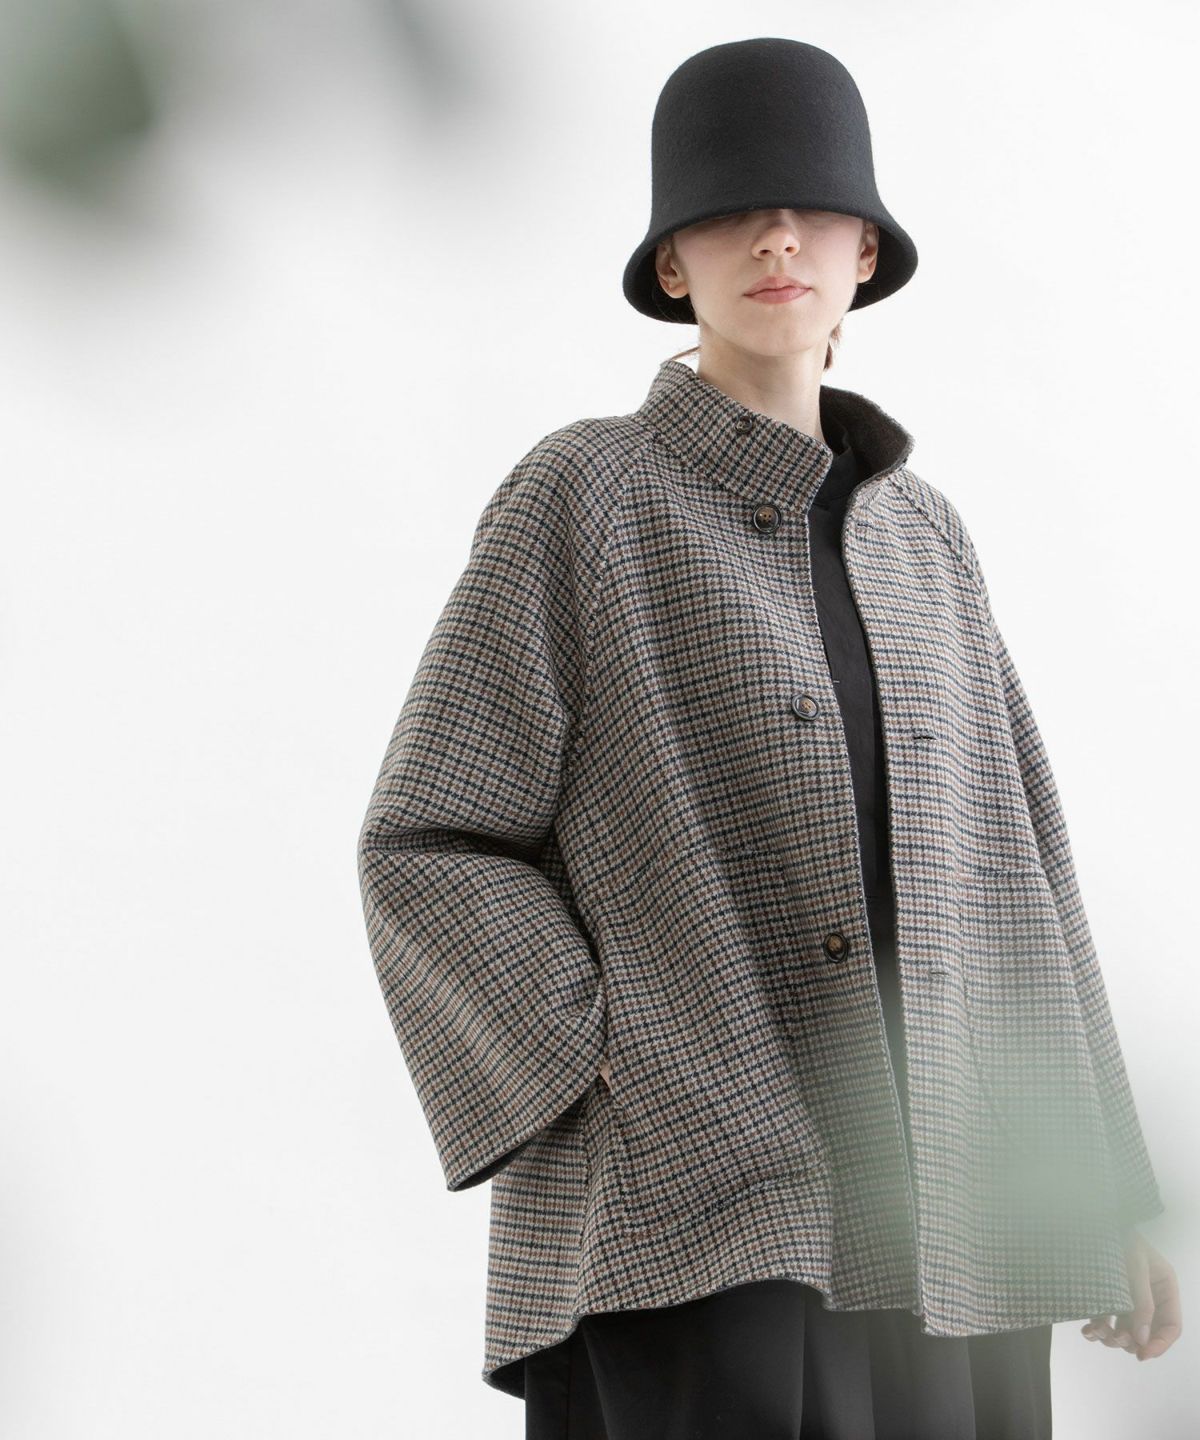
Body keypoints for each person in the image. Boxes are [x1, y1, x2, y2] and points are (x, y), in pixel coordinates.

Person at [356, 38, 1179, 1439]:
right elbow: (429, 838)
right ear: (674, 263)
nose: (777, 238)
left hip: (962, 1221)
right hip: (697, 1216)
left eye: (810, 209)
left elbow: (1021, 875)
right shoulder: (585, 498)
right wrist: (614, 1050)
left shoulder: (925, 539)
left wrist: (1100, 1189)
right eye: (731, 211)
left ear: (866, 253)